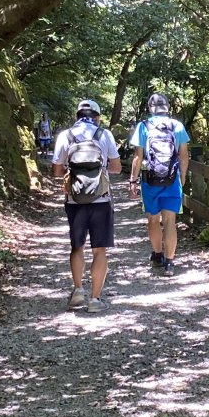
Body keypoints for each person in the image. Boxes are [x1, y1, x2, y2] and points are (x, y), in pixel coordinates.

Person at [52, 99, 121, 313]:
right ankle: (95, 299)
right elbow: (117, 168)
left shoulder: (66, 135)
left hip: (74, 200)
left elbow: (56, 172)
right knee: (99, 249)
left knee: (77, 246)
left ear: (77, 116)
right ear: (97, 117)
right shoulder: (104, 134)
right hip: (101, 199)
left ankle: (78, 289)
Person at [128, 93, 190, 276]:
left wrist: (133, 179)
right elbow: (184, 155)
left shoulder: (143, 126)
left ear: (150, 108)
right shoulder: (177, 126)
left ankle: (157, 255)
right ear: (167, 108)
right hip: (172, 179)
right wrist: (183, 177)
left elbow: (138, 157)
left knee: (153, 219)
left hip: (150, 179)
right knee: (170, 220)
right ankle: (170, 263)